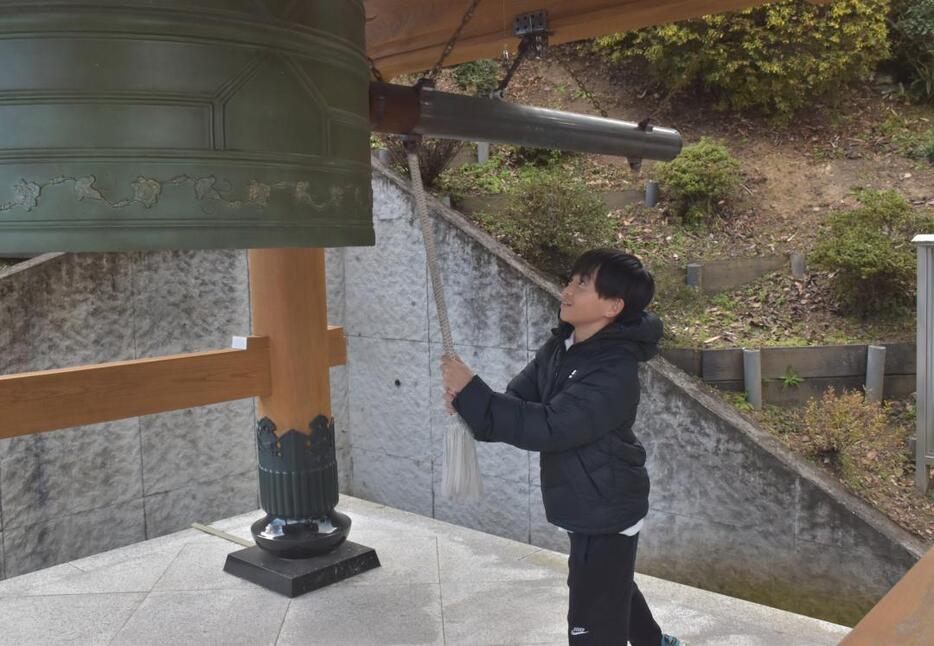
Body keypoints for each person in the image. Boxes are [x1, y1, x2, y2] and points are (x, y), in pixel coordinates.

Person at [441, 248, 682, 646]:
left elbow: (549, 426)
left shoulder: (614, 371)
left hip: (606, 504)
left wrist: (474, 393)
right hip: (584, 499)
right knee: (607, 584)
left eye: (582, 284)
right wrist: (469, 402)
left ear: (612, 306)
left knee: (591, 620)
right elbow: (515, 405)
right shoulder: (561, 348)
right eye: (571, 279)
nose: (567, 290)